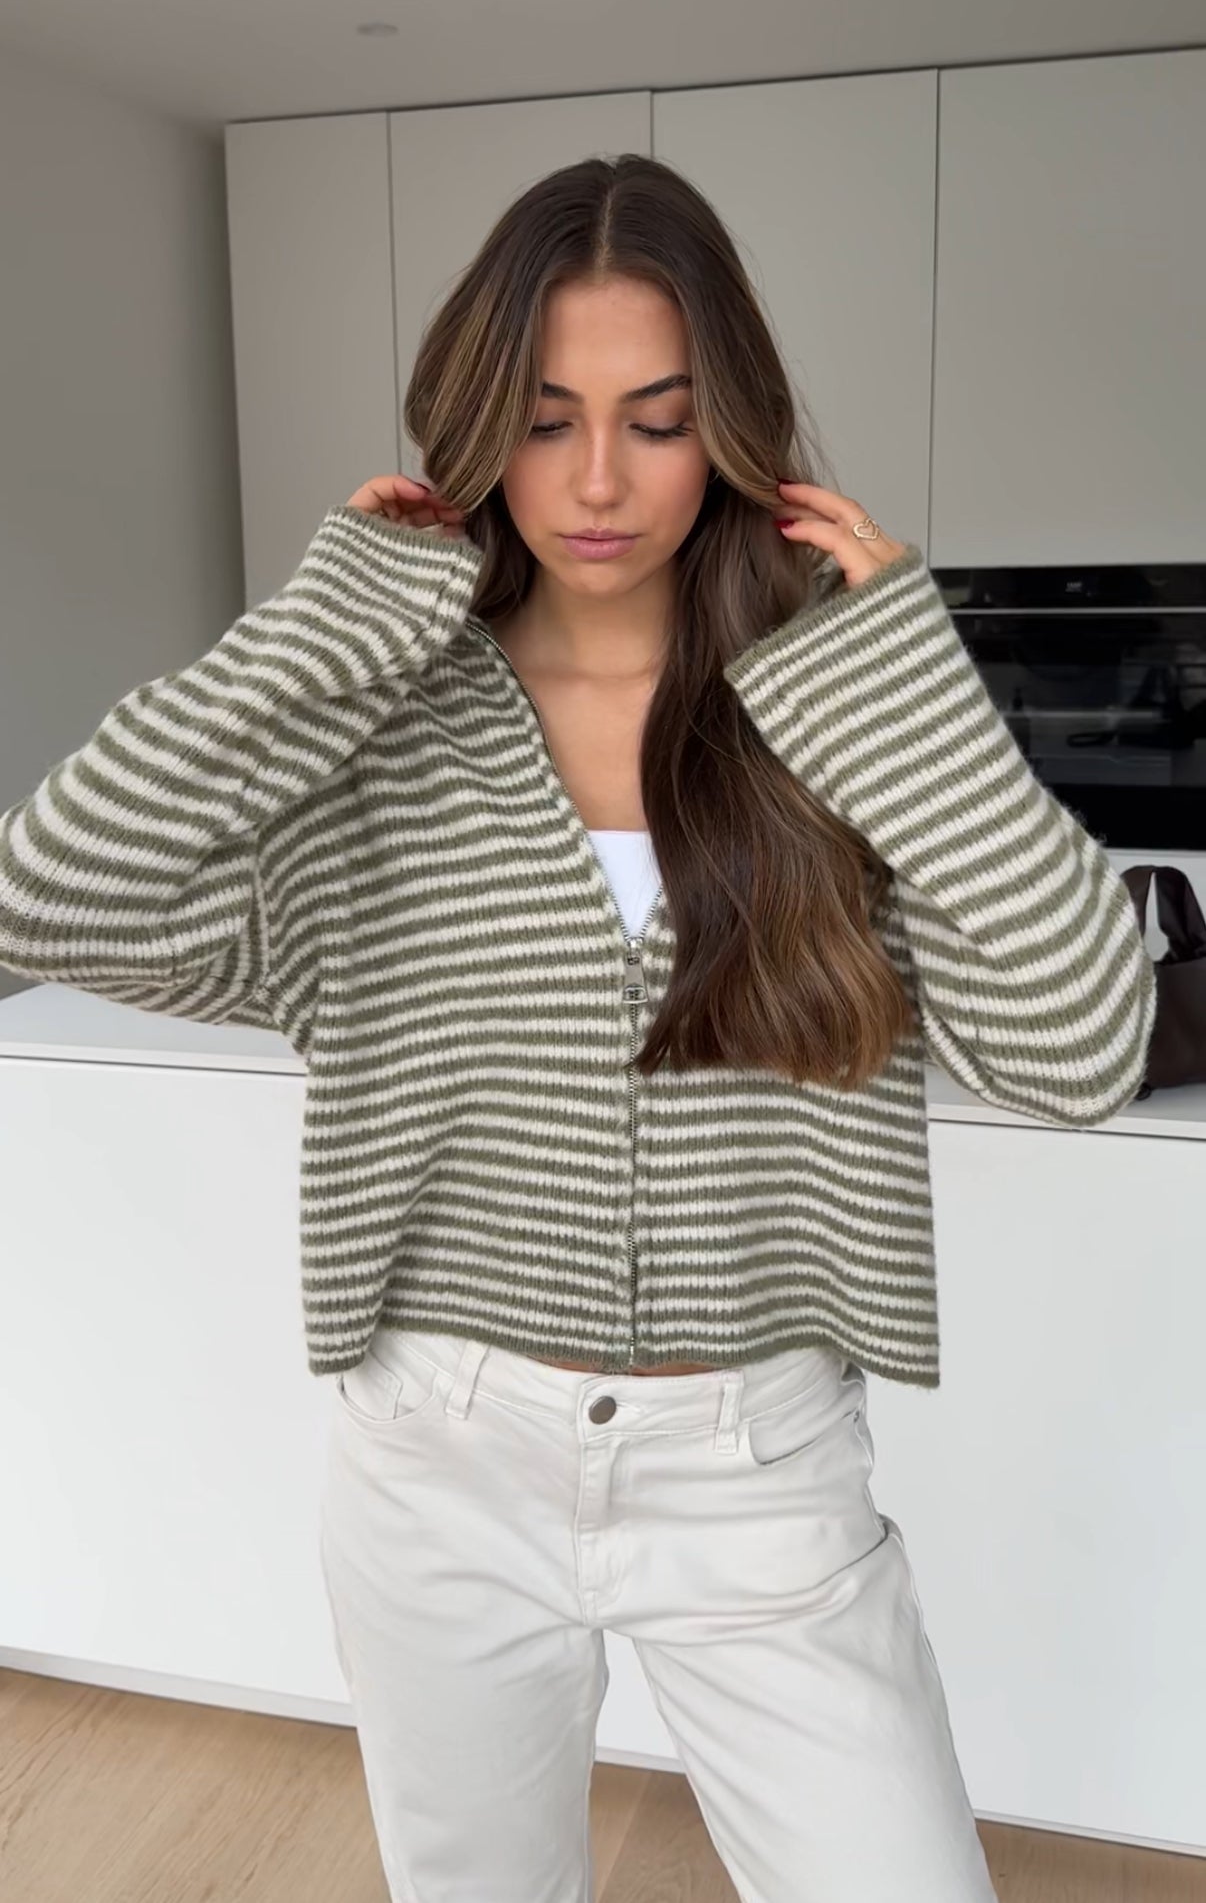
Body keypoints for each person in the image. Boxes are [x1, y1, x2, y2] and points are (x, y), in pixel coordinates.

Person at [0, 154, 1154, 1903]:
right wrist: (321, 629)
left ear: (732, 434)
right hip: (435, 1464)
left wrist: (911, 693)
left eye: (657, 419)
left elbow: (1078, 1048)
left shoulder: (833, 715)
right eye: (543, 421)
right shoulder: (380, 731)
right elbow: (42, 895)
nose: (598, 480)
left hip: (758, 1474)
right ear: (474, 433)